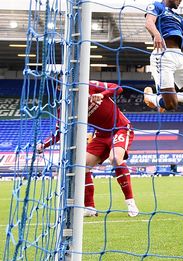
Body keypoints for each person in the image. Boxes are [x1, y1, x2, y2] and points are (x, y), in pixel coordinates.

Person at [38, 81, 139, 217]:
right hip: (100, 135)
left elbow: (118, 88)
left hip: (120, 128)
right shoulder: (65, 108)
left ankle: (130, 202)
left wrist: (102, 94)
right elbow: (59, 132)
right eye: (61, 84)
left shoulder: (89, 85)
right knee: (82, 166)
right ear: (59, 88)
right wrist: (44, 145)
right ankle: (90, 207)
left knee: (115, 158)